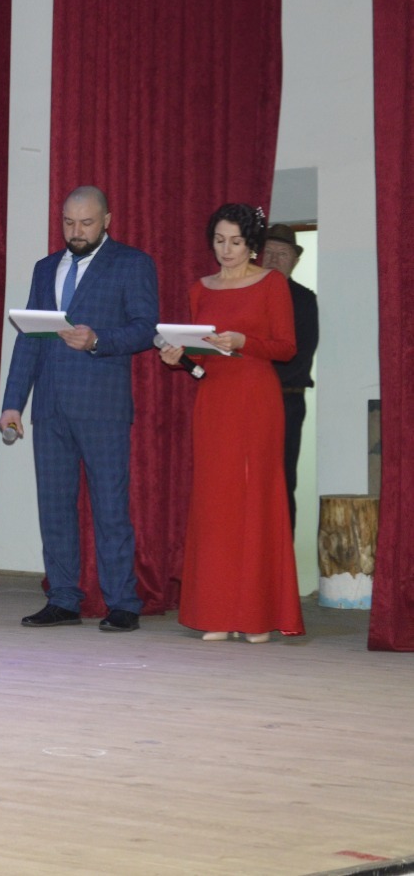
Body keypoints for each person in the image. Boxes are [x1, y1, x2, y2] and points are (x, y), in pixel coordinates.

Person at [0, 185, 159, 633]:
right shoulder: (45, 268)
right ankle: (63, 599)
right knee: (54, 508)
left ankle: (122, 602)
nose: (77, 231)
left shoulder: (132, 263)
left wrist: (97, 340)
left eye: (86, 223)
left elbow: (146, 329)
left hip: (102, 406)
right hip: (50, 407)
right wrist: (13, 404)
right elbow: (30, 338)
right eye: (69, 223)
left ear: (106, 220)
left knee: (110, 509)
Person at [158, 204, 304, 643]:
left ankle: (256, 614)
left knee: (256, 499)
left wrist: (245, 341)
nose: (226, 250)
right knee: (216, 504)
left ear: (251, 244)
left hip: (257, 398)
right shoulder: (199, 288)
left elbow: (286, 347)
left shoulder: (271, 283)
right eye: (220, 241)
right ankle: (217, 612)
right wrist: (178, 357)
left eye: (236, 242)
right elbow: (199, 357)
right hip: (214, 399)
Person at [259, 223, 318, 532]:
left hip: (286, 402)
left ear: (295, 260)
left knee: (281, 482)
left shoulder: (304, 301)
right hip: (246, 402)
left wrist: (256, 375)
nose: (274, 259)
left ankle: (283, 558)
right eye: (268, 252)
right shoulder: (246, 295)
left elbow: (299, 357)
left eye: (282, 254)